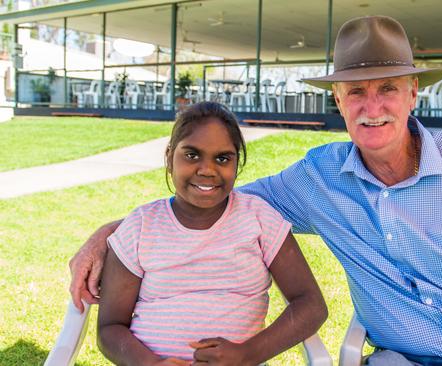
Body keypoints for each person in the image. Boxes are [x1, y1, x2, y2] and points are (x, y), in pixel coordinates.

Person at [71, 16, 442, 366]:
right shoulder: (318, 177)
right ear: (338, 101)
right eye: (356, 92)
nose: (372, 107)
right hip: (402, 358)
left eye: (387, 88)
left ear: (414, 93)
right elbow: (209, 198)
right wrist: (108, 235)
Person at [96, 102, 327, 366]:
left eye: (222, 158)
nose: (207, 170)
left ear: (237, 163)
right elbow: (110, 328)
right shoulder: (141, 226)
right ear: (170, 157)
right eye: (192, 155)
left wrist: (246, 354)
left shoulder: (259, 219)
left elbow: (311, 306)